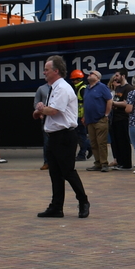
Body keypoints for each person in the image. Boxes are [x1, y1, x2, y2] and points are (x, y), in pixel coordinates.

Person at [35, 55, 90, 218]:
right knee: (55, 173)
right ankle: (56, 206)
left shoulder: (62, 88)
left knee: (67, 171)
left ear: (56, 71)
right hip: (54, 135)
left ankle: (83, 201)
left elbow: (53, 111)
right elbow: (49, 110)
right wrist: (41, 110)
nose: (44, 72)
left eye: (46, 69)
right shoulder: (54, 88)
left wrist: (40, 109)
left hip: (64, 136)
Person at [83, 71, 113, 172]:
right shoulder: (87, 89)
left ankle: (104, 163)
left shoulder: (102, 87)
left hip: (100, 119)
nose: (89, 75)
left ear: (98, 77)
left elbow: (109, 100)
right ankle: (97, 162)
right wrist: (84, 116)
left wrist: (106, 114)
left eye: (92, 74)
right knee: (93, 143)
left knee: (101, 142)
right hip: (90, 120)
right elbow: (85, 103)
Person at [106, 72, 133, 170]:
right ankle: (120, 162)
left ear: (123, 76)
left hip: (123, 118)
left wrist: (113, 103)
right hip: (115, 118)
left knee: (124, 141)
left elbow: (126, 103)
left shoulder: (128, 88)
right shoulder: (118, 88)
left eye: (117, 75)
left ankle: (126, 164)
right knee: (117, 141)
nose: (115, 78)